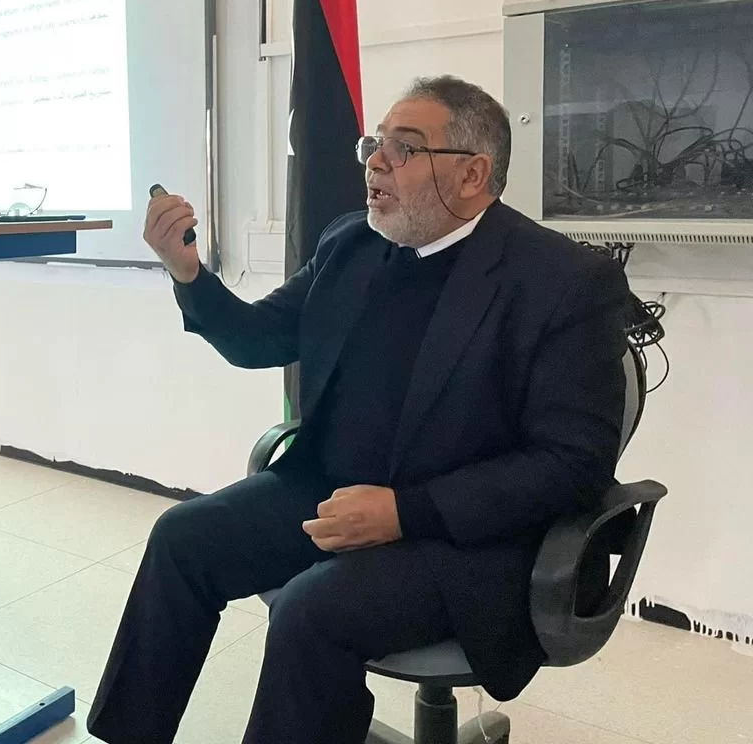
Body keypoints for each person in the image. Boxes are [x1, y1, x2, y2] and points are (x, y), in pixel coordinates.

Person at [87, 76, 629, 744]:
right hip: (331, 492)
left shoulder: (563, 281)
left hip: (465, 538)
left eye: (404, 148)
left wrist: (406, 512)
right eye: (375, 143)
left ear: (472, 174)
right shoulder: (351, 244)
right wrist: (188, 272)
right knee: (182, 539)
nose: (375, 162)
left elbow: (573, 464)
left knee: (310, 612)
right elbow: (256, 339)